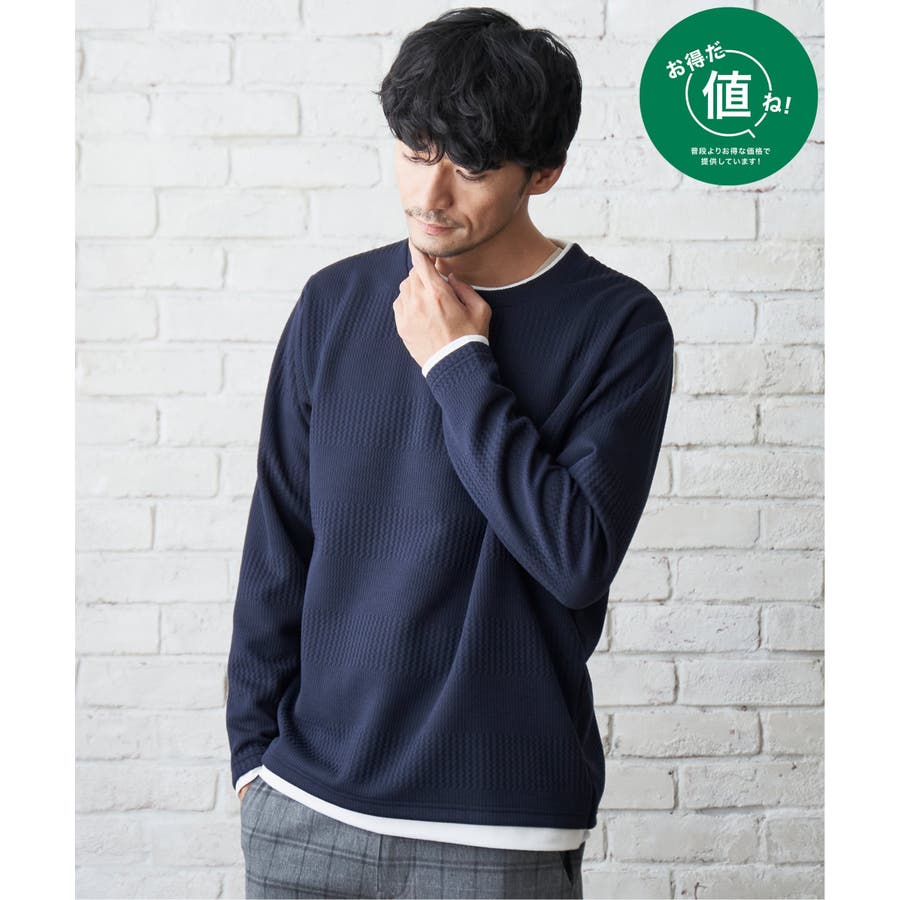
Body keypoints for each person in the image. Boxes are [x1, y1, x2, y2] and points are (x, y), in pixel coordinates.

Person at [226, 7, 674, 898]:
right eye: (414, 151)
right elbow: (279, 542)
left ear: (543, 172)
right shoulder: (334, 303)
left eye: (469, 168)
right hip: (305, 813)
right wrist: (253, 761)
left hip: (497, 829)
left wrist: (456, 361)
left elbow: (574, 559)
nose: (429, 195)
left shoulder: (618, 326)